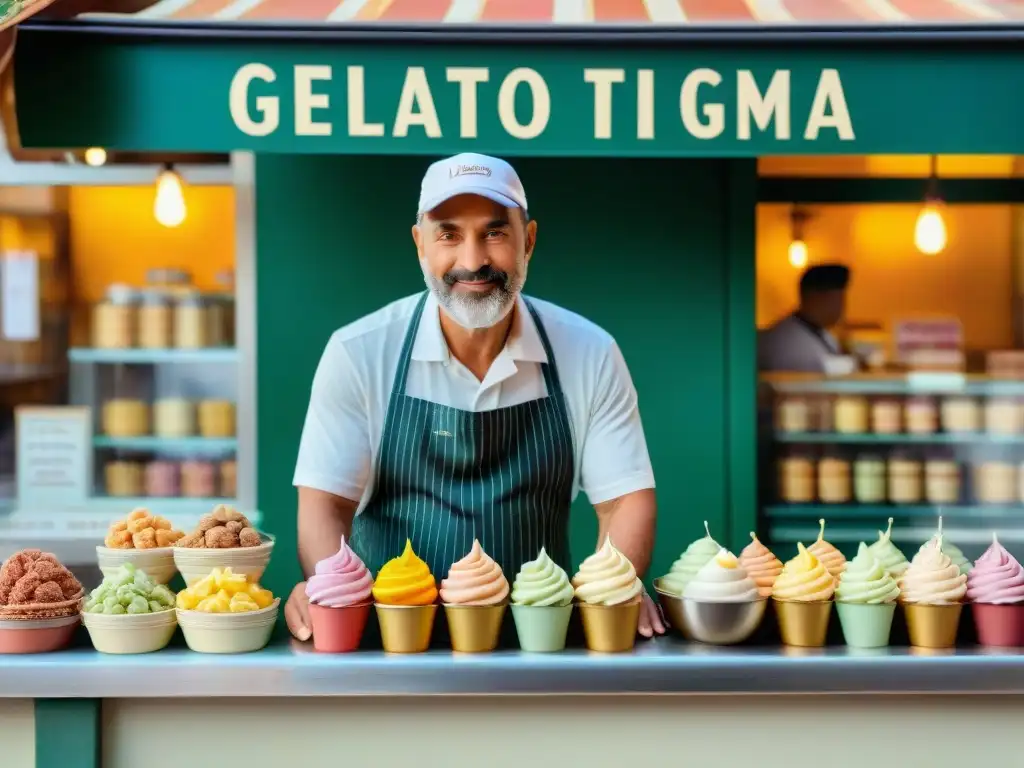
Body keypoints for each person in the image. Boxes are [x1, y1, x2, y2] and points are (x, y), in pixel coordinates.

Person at [286, 153, 664, 640]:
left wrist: (613, 592)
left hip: (538, 646)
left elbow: (625, 501)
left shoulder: (590, 351)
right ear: (420, 243)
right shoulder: (358, 353)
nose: (472, 260)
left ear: (528, 240)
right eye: (448, 233)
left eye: (494, 232)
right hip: (392, 646)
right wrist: (330, 592)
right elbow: (326, 505)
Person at [758, 264, 853, 374]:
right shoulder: (788, 341)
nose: (842, 307)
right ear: (817, 297)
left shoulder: (819, 332)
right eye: (838, 298)